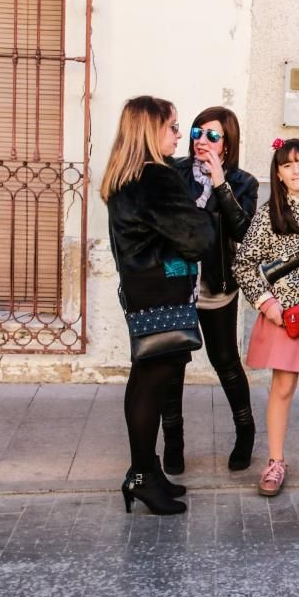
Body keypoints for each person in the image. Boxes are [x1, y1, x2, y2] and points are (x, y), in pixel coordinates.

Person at [101, 95, 213, 515]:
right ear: (151, 130)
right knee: (153, 383)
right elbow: (198, 239)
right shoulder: (156, 177)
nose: (179, 135)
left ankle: (144, 471)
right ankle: (144, 477)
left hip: (141, 289)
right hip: (163, 291)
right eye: (172, 127)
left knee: (145, 379)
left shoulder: (125, 176)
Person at [232, 137, 299, 497]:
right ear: (277, 173)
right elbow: (243, 263)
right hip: (284, 317)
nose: (297, 170)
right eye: (288, 165)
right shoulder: (269, 213)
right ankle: (275, 461)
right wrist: (266, 303)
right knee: (284, 386)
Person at [161, 107, 260, 474]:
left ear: (228, 143)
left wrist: (220, 184)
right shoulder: (175, 172)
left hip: (216, 285)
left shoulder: (243, 182)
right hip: (176, 285)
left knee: (225, 362)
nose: (202, 140)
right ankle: (173, 441)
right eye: (196, 132)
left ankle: (245, 431)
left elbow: (242, 233)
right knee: (172, 366)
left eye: (212, 136)